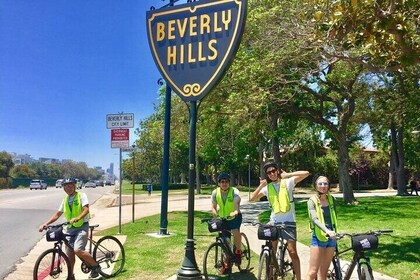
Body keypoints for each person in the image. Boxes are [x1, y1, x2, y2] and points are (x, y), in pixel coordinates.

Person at [250, 162, 310, 280]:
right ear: (267, 175)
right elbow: (252, 199)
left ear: (277, 171)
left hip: (289, 222)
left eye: (273, 171)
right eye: (269, 172)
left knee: (292, 252)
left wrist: (288, 174)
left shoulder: (287, 182)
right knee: (272, 251)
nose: (272, 174)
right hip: (274, 222)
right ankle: (274, 273)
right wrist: (261, 186)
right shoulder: (267, 188)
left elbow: (306, 173)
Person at [38, 178, 100, 279]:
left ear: (75, 186)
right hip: (70, 229)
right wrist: (45, 223)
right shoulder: (65, 199)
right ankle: (71, 276)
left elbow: (86, 209)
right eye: (66, 186)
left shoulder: (81, 195)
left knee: (78, 250)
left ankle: (95, 267)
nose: (68, 188)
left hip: (82, 227)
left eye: (70, 185)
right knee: (69, 254)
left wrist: (77, 218)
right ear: (63, 188)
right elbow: (57, 214)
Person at [306, 175, 338, 280]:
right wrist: (326, 230)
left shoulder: (332, 199)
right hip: (319, 237)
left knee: (323, 274)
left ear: (328, 186)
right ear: (315, 186)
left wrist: (334, 231)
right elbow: (315, 219)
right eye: (320, 184)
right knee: (312, 272)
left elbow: (334, 217)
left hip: (332, 238)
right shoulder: (312, 201)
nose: (323, 186)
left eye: (325, 184)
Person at [211, 173, 243, 266]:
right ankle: (226, 264)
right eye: (222, 182)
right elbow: (213, 207)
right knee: (225, 240)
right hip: (223, 218)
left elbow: (237, 201)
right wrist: (214, 215)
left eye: (226, 182)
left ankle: (238, 252)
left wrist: (236, 211)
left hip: (235, 217)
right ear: (219, 183)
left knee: (235, 231)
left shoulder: (234, 191)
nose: (224, 184)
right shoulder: (215, 193)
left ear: (229, 183)